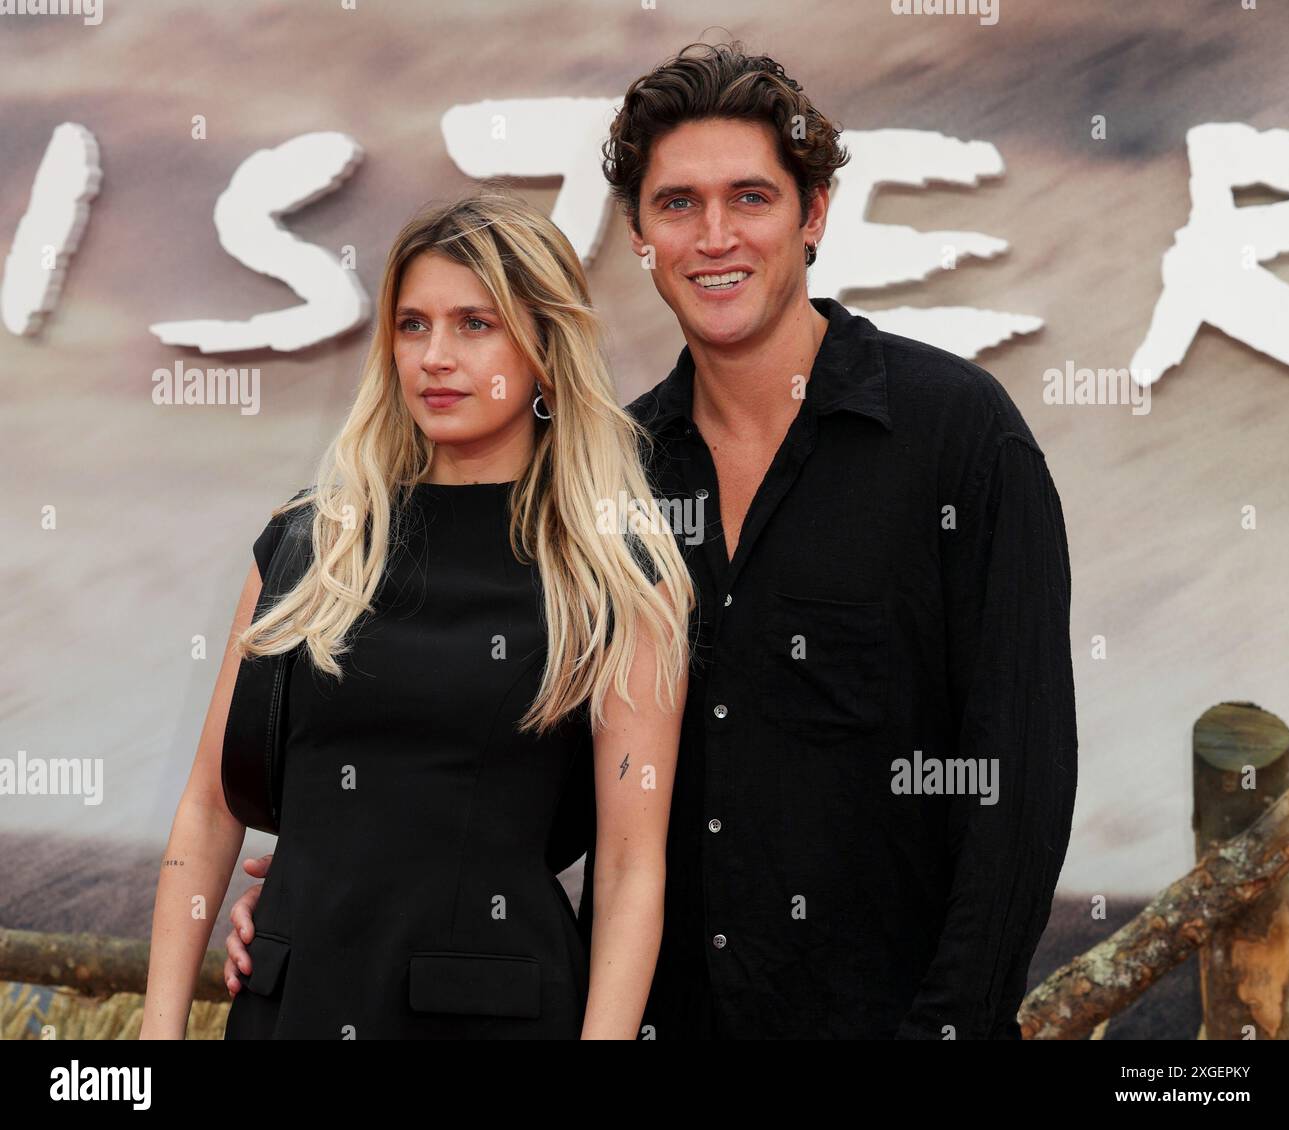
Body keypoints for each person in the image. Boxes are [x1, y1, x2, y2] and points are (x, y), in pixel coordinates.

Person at [227, 40, 1078, 1040]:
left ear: (812, 215)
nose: (713, 236)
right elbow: (489, 730)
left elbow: (1017, 776)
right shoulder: (603, 477)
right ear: (637, 232)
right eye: (677, 204)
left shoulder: (958, 438)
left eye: (750, 197)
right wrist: (347, 864)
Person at [140, 190, 694, 1039]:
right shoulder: (310, 544)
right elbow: (211, 810)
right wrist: (157, 1035)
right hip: (294, 1008)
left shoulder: (615, 574)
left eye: (476, 324)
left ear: (544, 346)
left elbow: (628, 869)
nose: (436, 356)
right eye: (413, 324)